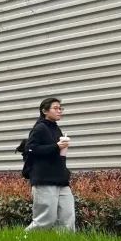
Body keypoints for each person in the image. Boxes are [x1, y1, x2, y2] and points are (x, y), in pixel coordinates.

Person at [24, 98, 76, 231]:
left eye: (60, 108)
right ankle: (22, 240)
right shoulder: (40, 128)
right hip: (44, 179)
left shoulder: (56, 128)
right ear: (45, 111)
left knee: (67, 218)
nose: (59, 111)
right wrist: (56, 146)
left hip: (60, 179)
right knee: (45, 220)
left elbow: (58, 153)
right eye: (56, 108)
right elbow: (30, 149)